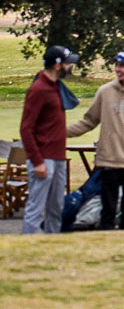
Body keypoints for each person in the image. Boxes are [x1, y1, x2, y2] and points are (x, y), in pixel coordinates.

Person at [67, 49, 124, 230]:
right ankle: (106, 243)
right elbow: (89, 122)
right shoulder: (105, 92)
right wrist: (60, 132)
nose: (117, 69)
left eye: (122, 66)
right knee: (107, 213)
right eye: (116, 65)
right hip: (109, 162)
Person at [20, 45, 79, 235]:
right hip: (43, 159)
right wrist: (37, 161)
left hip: (58, 156)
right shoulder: (39, 89)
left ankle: (52, 242)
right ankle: (27, 243)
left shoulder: (56, 87)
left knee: (56, 208)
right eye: (68, 64)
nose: (70, 67)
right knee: (36, 208)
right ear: (57, 65)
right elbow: (26, 129)